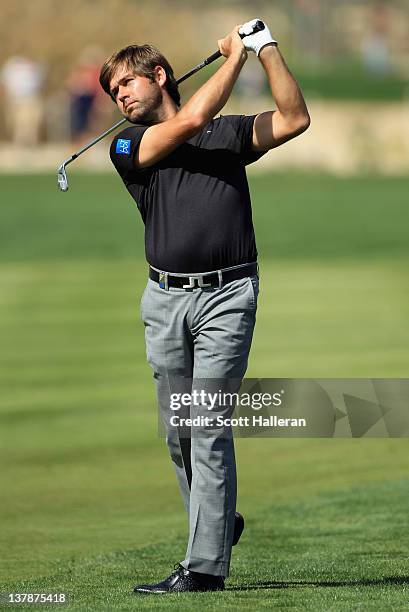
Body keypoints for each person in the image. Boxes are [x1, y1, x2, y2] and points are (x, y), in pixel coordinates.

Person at [99, 19, 310, 594]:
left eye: (125, 84)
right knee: (179, 432)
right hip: (164, 301)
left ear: (158, 75)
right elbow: (190, 120)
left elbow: (294, 118)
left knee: (206, 426)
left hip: (228, 296)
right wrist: (233, 58)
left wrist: (264, 49)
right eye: (113, 91)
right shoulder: (126, 144)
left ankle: (204, 568)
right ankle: (219, 519)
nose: (119, 97)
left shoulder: (226, 133)